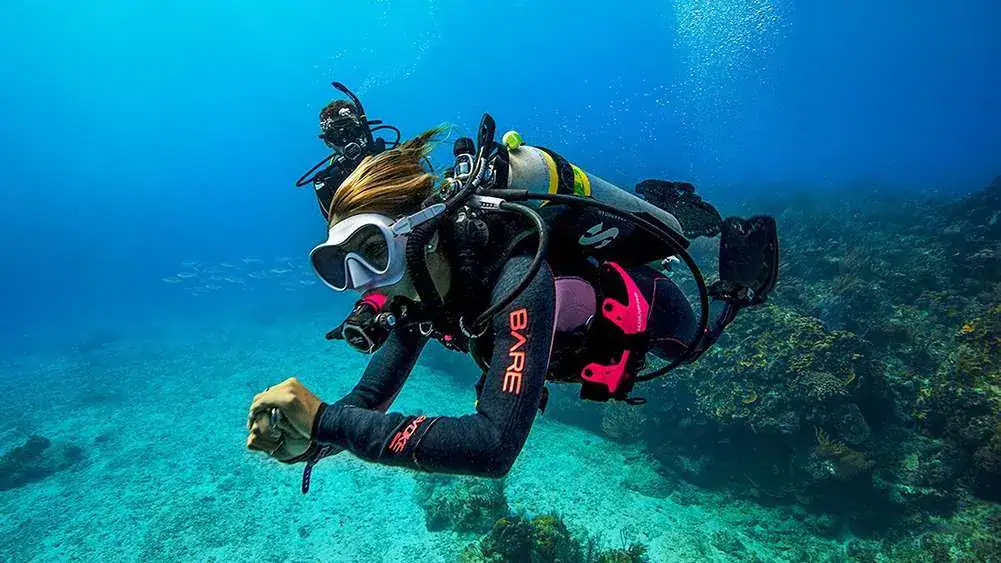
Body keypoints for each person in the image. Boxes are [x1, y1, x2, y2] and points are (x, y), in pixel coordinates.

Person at [248, 112, 779, 493]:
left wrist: (326, 424)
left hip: (634, 314)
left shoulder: (517, 277)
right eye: (339, 266)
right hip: (560, 351)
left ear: (420, 234)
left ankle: (732, 284)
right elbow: (367, 398)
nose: (364, 283)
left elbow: (491, 446)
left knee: (691, 346)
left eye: (372, 252)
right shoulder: (418, 293)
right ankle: (665, 206)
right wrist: (311, 441)